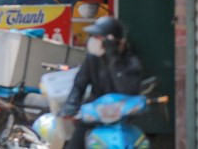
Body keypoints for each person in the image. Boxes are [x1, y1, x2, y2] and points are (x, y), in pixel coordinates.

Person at [59, 16, 143, 149]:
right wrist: (70, 106)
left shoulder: (130, 62)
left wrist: (113, 58)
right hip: (94, 114)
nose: (93, 40)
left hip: (121, 119)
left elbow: (127, 89)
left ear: (112, 40)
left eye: (98, 37)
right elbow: (79, 84)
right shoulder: (92, 59)